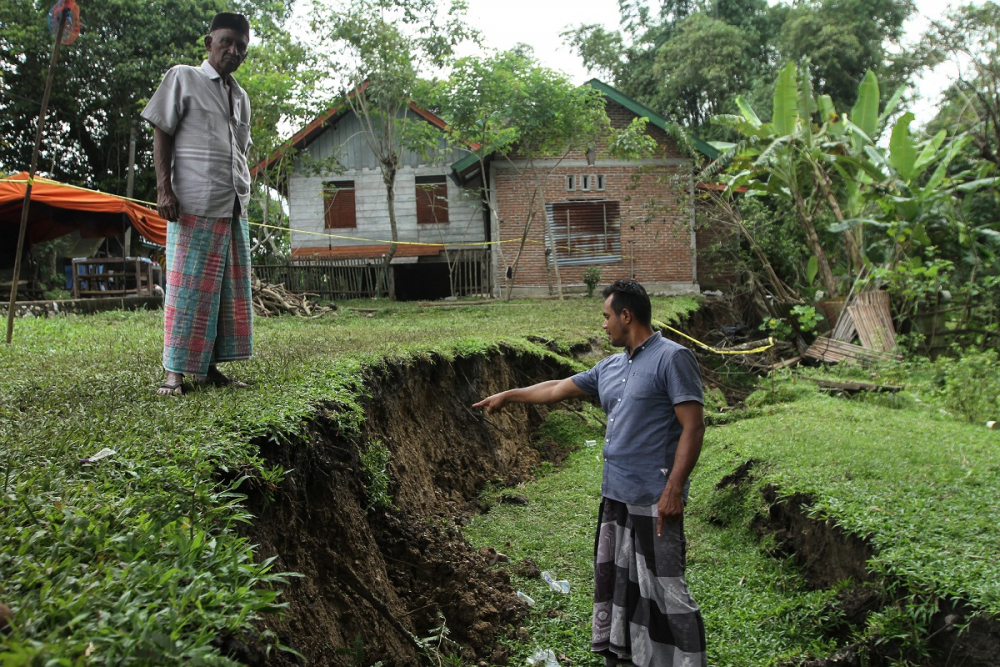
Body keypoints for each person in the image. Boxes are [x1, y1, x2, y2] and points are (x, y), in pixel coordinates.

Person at [474, 279, 707, 667]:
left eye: (606, 316)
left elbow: (694, 426)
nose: (603, 325)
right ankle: (632, 658)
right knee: (621, 586)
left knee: (667, 589)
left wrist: (674, 489)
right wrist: (509, 395)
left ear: (626, 316)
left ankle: (689, 661)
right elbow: (555, 389)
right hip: (615, 496)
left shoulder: (673, 358)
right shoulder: (611, 366)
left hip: (654, 496)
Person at [142, 12, 254, 396]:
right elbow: (161, 129)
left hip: (233, 204)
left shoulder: (241, 97)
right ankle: (174, 372)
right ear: (209, 43)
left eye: (241, 46)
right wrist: (164, 189)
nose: (233, 50)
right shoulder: (183, 77)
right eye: (226, 42)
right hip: (192, 203)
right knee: (186, 289)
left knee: (223, 292)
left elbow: (239, 151)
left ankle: (208, 369)